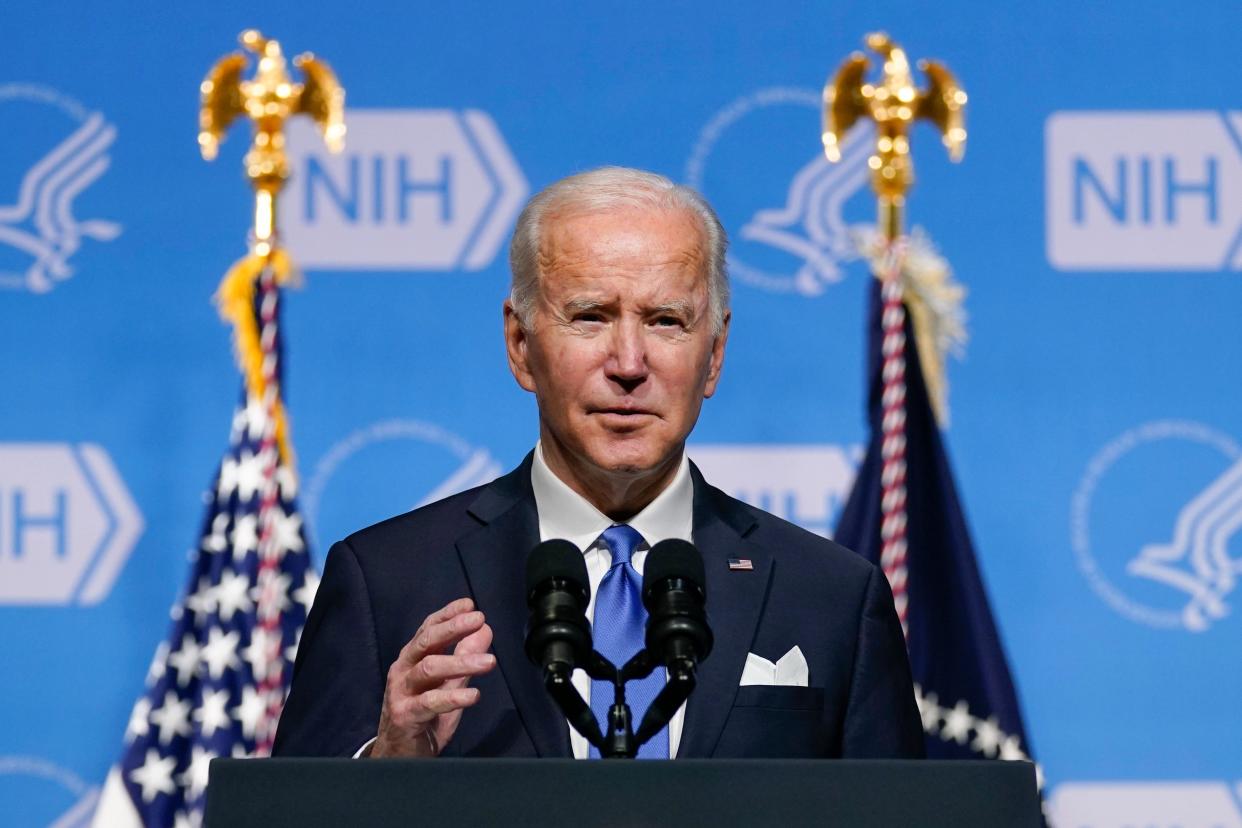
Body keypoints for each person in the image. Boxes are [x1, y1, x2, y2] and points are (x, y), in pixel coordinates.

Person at [272, 167, 923, 760]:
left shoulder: (832, 596)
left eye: (666, 321)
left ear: (715, 355)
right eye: (590, 316)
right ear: (520, 345)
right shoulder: (387, 581)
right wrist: (385, 769)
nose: (630, 364)